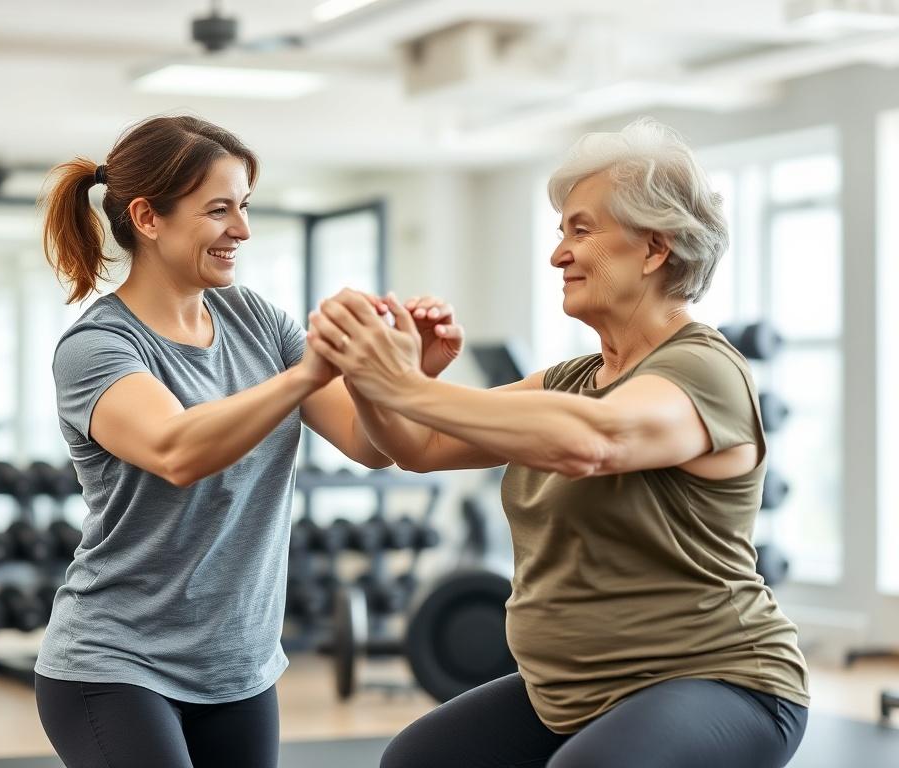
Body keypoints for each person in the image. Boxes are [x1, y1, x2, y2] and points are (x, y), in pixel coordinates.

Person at [308, 118, 809, 768]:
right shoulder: (571, 379)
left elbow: (592, 442)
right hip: (573, 693)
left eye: (581, 230)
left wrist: (399, 382)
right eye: (560, 233)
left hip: (721, 678)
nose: (558, 254)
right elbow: (420, 446)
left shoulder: (703, 369)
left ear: (654, 249)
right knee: (416, 760)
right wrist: (382, 372)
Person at [33, 115, 459, 768]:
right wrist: (308, 372)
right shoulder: (99, 347)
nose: (243, 230)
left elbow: (367, 443)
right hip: (116, 665)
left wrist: (404, 373)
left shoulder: (256, 319)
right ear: (148, 218)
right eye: (220, 210)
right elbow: (177, 451)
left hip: (240, 669)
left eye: (246, 208)